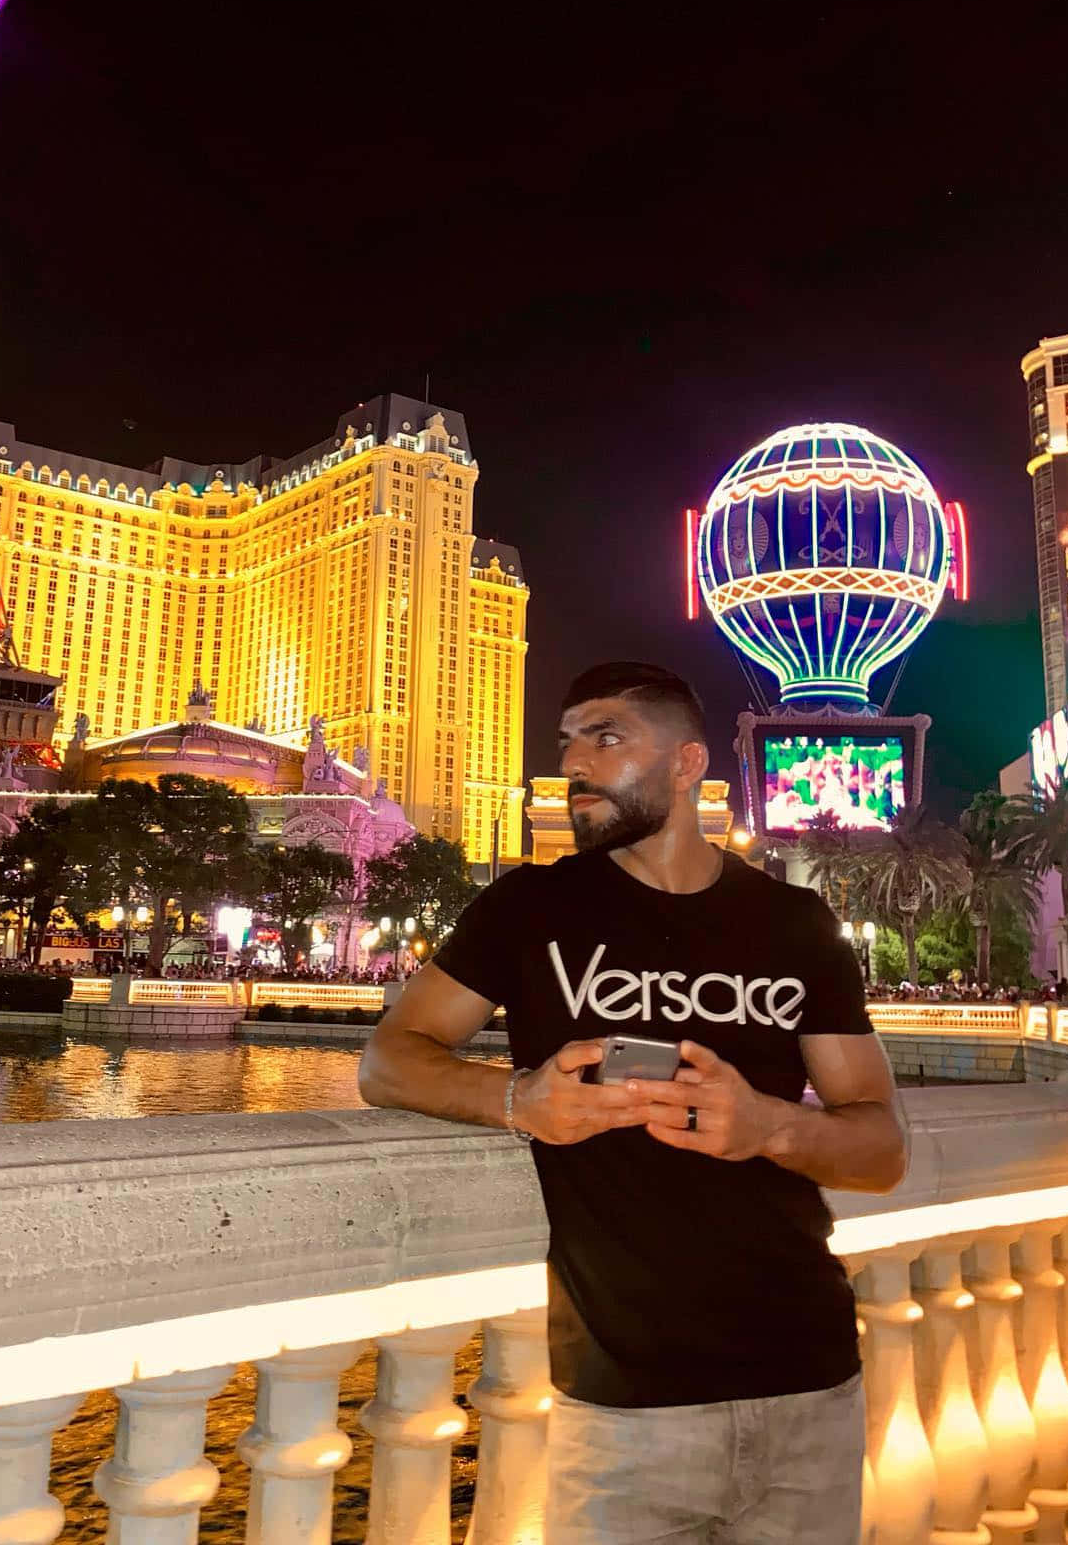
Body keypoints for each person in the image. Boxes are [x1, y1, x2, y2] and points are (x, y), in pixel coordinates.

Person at [359, 661, 906, 1544]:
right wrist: (517, 1099)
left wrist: (769, 1125)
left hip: (811, 1385)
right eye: (568, 739)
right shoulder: (532, 908)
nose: (575, 760)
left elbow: (881, 1150)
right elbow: (389, 1061)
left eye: (606, 737)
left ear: (689, 765)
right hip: (624, 1411)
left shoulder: (795, 922)